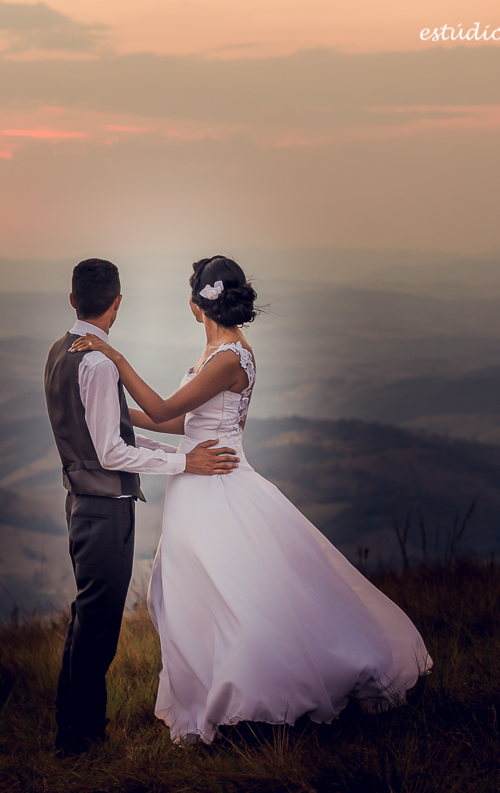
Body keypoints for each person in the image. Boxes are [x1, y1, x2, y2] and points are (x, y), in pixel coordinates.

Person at [69, 255, 432, 745]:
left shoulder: (228, 359)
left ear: (198, 306)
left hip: (218, 487)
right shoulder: (217, 355)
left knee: (239, 599)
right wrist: (112, 416)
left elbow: (161, 406)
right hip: (197, 487)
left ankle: (257, 702)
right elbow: (179, 423)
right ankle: (223, 698)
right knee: (205, 599)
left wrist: (115, 359)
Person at [43, 258, 241, 754]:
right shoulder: (99, 361)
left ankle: (73, 726)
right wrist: (182, 465)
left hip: (79, 501)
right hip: (104, 508)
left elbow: (107, 431)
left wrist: (176, 455)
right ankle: (81, 737)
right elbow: (112, 451)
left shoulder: (58, 351)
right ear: (117, 303)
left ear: (72, 300)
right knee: (100, 625)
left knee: (87, 617)